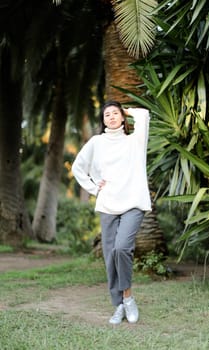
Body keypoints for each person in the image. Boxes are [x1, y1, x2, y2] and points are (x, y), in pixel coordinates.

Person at [72, 100, 151, 325]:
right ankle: (118, 306)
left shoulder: (135, 141)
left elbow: (144, 115)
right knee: (110, 257)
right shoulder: (97, 142)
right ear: (103, 120)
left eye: (116, 113)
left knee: (122, 248)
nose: (112, 117)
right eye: (107, 114)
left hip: (133, 203)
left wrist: (125, 109)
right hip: (107, 204)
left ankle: (128, 297)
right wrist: (94, 187)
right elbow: (78, 167)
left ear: (123, 117)